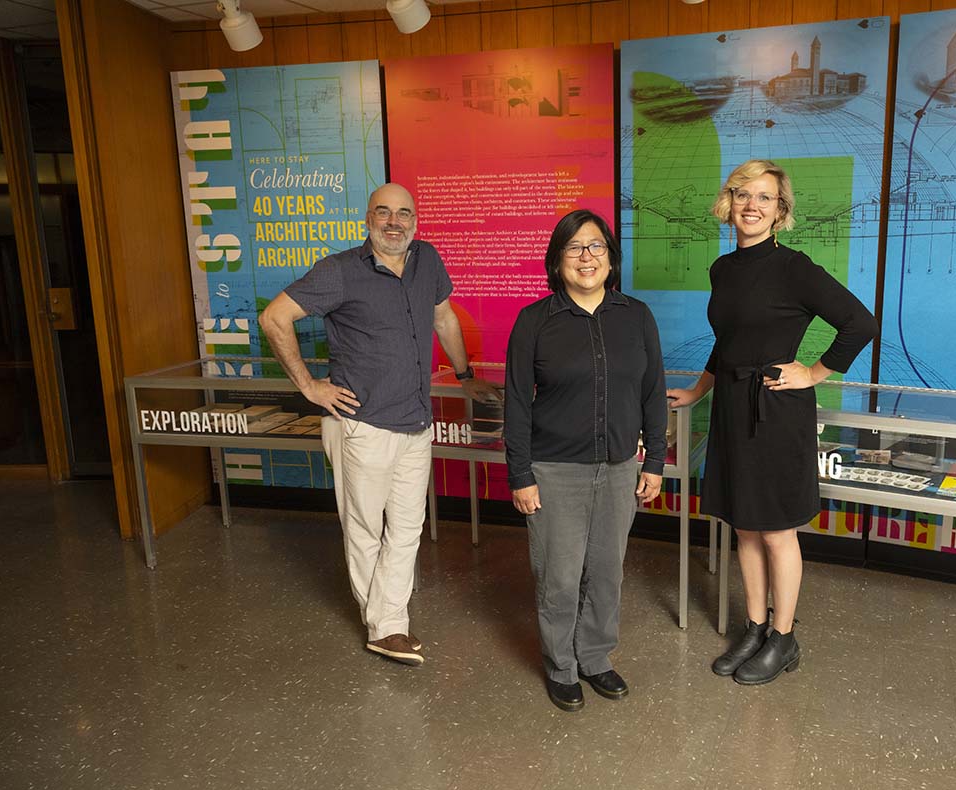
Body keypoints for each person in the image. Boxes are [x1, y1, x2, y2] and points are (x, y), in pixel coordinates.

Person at [259, 182, 497, 666]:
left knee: (408, 527)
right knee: (365, 528)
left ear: (416, 219)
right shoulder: (341, 271)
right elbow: (274, 317)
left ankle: (387, 618)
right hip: (361, 425)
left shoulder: (427, 259)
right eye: (383, 212)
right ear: (367, 218)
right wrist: (309, 386)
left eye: (404, 213)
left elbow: (444, 319)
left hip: (414, 421)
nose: (395, 222)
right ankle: (386, 626)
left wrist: (466, 375)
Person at [666, 160, 877, 686]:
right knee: (744, 523)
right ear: (728, 202)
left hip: (777, 409)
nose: (752, 206)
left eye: (765, 197)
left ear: (780, 211)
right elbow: (729, 341)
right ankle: (755, 628)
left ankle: (784, 639)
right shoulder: (723, 269)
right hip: (733, 407)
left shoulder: (794, 267)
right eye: (743, 195)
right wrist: (698, 389)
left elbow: (860, 322)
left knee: (778, 529)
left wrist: (816, 372)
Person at [504, 209, 667, 712]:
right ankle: (561, 666)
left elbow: (653, 392)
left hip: (620, 469)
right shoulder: (535, 321)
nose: (586, 256)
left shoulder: (636, 316)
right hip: (554, 474)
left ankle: (595, 658)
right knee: (558, 576)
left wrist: (654, 461)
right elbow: (516, 402)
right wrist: (521, 475)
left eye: (596, 246)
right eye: (574, 248)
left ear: (611, 258)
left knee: (606, 573)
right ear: (557, 261)